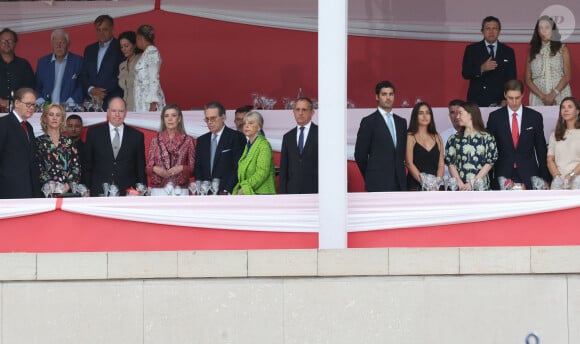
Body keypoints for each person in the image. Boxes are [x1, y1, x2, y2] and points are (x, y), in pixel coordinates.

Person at [487, 80, 550, 189]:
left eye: (518, 97)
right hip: (502, 173)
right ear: (505, 95)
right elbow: (489, 149)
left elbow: (541, 149)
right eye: (510, 98)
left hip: (529, 173)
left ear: (523, 95)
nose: (514, 102)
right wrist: (489, 178)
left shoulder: (535, 117)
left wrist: (545, 177)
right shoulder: (495, 117)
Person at [83, 97, 146, 196]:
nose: (117, 114)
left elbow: (140, 167)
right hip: (98, 191)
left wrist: (142, 191)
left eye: (121, 111)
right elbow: (87, 165)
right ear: (108, 112)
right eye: (114, 111)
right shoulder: (93, 133)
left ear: (125, 113)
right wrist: (86, 189)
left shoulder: (137, 136)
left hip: (127, 192)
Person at [354, 80, 407, 191]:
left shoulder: (401, 122)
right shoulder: (368, 122)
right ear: (377, 97)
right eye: (384, 94)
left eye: (391, 94)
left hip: (400, 183)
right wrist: (371, 176)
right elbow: (360, 155)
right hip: (377, 183)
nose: (388, 98)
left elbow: (401, 153)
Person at [462, 16, 517, 107]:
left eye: (494, 28)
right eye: (487, 28)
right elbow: (465, 73)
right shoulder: (472, 49)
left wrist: (507, 98)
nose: (491, 32)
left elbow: (512, 78)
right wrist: (481, 68)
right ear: (482, 31)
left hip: (500, 101)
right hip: (477, 101)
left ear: (499, 31)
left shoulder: (508, 51)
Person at [194, 101, 246, 194]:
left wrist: (227, 190)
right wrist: (200, 189)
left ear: (223, 117)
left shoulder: (236, 137)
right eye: (207, 119)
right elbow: (198, 167)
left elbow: (238, 167)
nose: (209, 122)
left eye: (213, 118)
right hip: (206, 193)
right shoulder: (202, 140)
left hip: (227, 192)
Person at [445, 101, 498, 190]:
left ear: (471, 114)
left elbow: (490, 162)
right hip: (460, 187)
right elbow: (450, 163)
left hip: (481, 187)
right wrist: (460, 184)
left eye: (460, 113)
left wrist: (472, 183)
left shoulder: (487, 137)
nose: (457, 117)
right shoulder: (454, 139)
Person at [0, 87, 40, 198]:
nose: (31, 108)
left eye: (33, 105)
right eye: (28, 104)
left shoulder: (28, 127)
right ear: (17, 103)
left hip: (29, 188)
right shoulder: (3, 124)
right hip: (8, 189)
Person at [146, 104, 195, 195]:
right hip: (159, 190)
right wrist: (155, 169)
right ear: (163, 119)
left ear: (179, 119)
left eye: (173, 115)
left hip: (180, 189)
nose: (170, 119)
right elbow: (148, 168)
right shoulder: (155, 140)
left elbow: (193, 169)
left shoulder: (188, 140)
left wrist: (182, 168)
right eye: (166, 116)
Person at [525, 15, 572, 106]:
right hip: (538, 97)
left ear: (553, 30)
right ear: (537, 31)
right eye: (541, 28)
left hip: (560, 94)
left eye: (547, 27)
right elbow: (527, 79)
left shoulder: (562, 49)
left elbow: (567, 76)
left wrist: (553, 94)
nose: (544, 31)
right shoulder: (532, 51)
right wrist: (543, 97)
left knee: (561, 119)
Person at [80, 15, 123, 110]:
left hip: (113, 101)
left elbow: (122, 75)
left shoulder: (120, 47)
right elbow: (84, 74)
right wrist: (91, 89)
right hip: (91, 102)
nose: (101, 33)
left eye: (105, 29)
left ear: (112, 29)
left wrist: (101, 92)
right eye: (98, 30)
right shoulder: (89, 49)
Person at [35, 104, 81, 193]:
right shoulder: (37, 142)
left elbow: (76, 167)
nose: (54, 118)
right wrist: (50, 185)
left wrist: (67, 186)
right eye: (51, 114)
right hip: (45, 192)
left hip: (68, 191)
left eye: (58, 115)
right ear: (45, 118)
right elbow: (37, 167)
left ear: (62, 120)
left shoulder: (69, 142)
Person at [279, 97, 318, 194]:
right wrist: (283, 193)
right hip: (292, 191)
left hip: (316, 191)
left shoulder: (321, 133)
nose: (300, 113)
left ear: (312, 112)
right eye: (297, 109)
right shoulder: (288, 137)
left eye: (304, 110)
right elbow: (284, 169)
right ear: (293, 112)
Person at [35, 29, 84, 106]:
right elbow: (36, 86)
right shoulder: (42, 62)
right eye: (55, 43)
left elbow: (82, 86)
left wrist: (70, 103)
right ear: (51, 45)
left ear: (68, 44)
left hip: (70, 107)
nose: (59, 46)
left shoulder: (78, 61)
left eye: (62, 43)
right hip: (45, 108)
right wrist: (42, 103)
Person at [232, 111, 277, 195]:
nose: (246, 126)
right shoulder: (248, 145)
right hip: (251, 194)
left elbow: (262, 172)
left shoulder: (264, 145)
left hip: (262, 195)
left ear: (259, 127)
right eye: (245, 123)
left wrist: (244, 188)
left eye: (251, 123)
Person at [405, 102, 444, 191]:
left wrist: (437, 182)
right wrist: (425, 183)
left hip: (435, 188)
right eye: (421, 113)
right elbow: (409, 163)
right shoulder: (410, 136)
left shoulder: (437, 136)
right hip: (415, 186)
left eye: (427, 113)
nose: (425, 116)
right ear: (415, 116)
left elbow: (441, 164)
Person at [0, 28, 35, 111]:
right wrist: (1, 101)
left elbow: (30, 88)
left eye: (10, 40)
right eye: (3, 41)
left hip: (20, 110)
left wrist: (18, 103)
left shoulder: (23, 64)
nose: (6, 43)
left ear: (15, 43)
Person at [547, 97, 580, 181]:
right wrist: (557, 177)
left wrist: (571, 175)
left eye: (569, 107)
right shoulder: (554, 134)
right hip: (559, 181)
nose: (566, 110)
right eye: (563, 107)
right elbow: (550, 159)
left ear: (577, 111)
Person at [134, 24, 165, 112]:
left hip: (149, 101)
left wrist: (153, 103)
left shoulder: (151, 52)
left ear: (140, 37)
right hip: (142, 99)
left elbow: (154, 77)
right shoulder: (146, 52)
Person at [118, 31, 141, 112]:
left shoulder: (142, 61)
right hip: (125, 108)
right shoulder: (122, 65)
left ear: (134, 45)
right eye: (121, 47)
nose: (123, 49)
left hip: (140, 107)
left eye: (126, 46)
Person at [441, 99, 463, 178]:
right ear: (449, 115)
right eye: (452, 112)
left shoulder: (475, 135)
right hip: (448, 183)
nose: (456, 115)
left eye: (459, 112)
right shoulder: (442, 136)